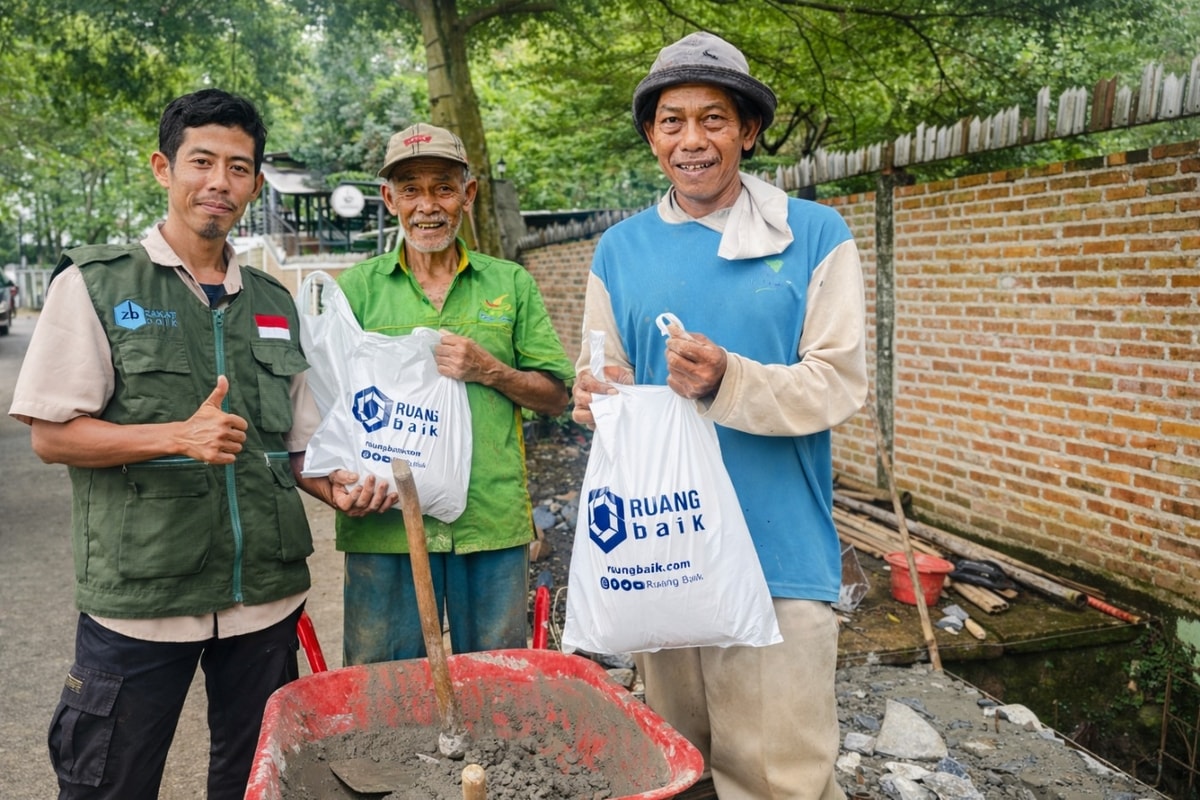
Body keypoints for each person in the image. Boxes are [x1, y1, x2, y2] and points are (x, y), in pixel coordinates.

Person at [8, 89, 394, 800]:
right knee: (109, 784)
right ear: (164, 167)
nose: (220, 182)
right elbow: (53, 436)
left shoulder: (275, 304)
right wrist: (176, 436)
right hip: (141, 598)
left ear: (253, 183)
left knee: (257, 784)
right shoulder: (96, 284)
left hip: (265, 602)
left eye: (239, 167)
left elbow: (300, 444)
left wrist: (336, 484)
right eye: (202, 161)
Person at [571, 32, 867, 800]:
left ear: (748, 130)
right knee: (678, 767)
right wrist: (595, 399)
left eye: (713, 119)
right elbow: (607, 378)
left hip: (777, 556)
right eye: (672, 121)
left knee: (780, 778)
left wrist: (728, 379)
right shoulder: (619, 251)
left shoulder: (816, 235)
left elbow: (838, 384)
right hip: (661, 548)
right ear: (651, 135)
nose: (692, 140)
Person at [333, 123, 574, 665]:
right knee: (383, 693)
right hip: (385, 525)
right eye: (411, 189)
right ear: (388, 198)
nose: (428, 206)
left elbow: (557, 398)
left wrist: (493, 371)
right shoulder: (356, 291)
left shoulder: (509, 284)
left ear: (468, 195)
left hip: (488, 526)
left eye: (443, 188)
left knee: (497, 689)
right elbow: (324, 405)